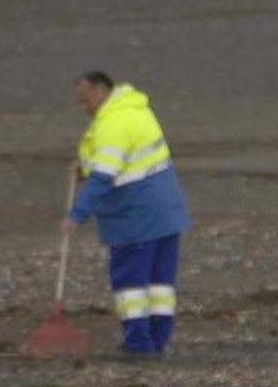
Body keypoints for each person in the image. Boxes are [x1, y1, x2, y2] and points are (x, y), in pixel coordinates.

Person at [61, 72, 191, 355]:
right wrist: (86, 168)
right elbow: (124, 159)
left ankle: (139, 345)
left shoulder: (114, 123)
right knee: (160, 281)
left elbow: (104, 175)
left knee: (130, 281)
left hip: (136, 215)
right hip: (166, 209)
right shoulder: (135, 109)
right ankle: (158, 340)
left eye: (85, 99)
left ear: (101, 90)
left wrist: (77, 214)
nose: (83, 107)